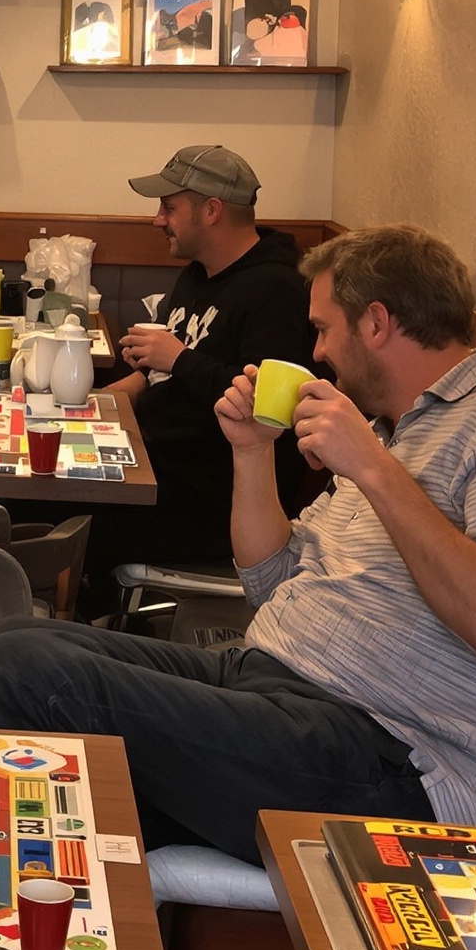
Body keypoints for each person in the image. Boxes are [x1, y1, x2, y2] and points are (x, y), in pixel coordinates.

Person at [0, 226, 476, 862]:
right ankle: (116, 850)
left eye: (322, 330)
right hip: (279, 686)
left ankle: (81, 888)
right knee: (14, 641)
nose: (316, 353)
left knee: (29, 680)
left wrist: (372, 468)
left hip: (401, 760)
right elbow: (272, 587)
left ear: (376, 322)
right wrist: (252, 453)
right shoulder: (397, 426)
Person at [80, 144, 313, 614]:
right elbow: (161, 375)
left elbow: (269, 408)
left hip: (211, 500)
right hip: (153, 464)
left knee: (58, 519)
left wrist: (180, 358)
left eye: (169, 207)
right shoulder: (197, 274)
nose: (157, 219)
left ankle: (70, 644)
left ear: (211, 210)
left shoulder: (276, 290)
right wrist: (110, 395)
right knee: (24, 491)